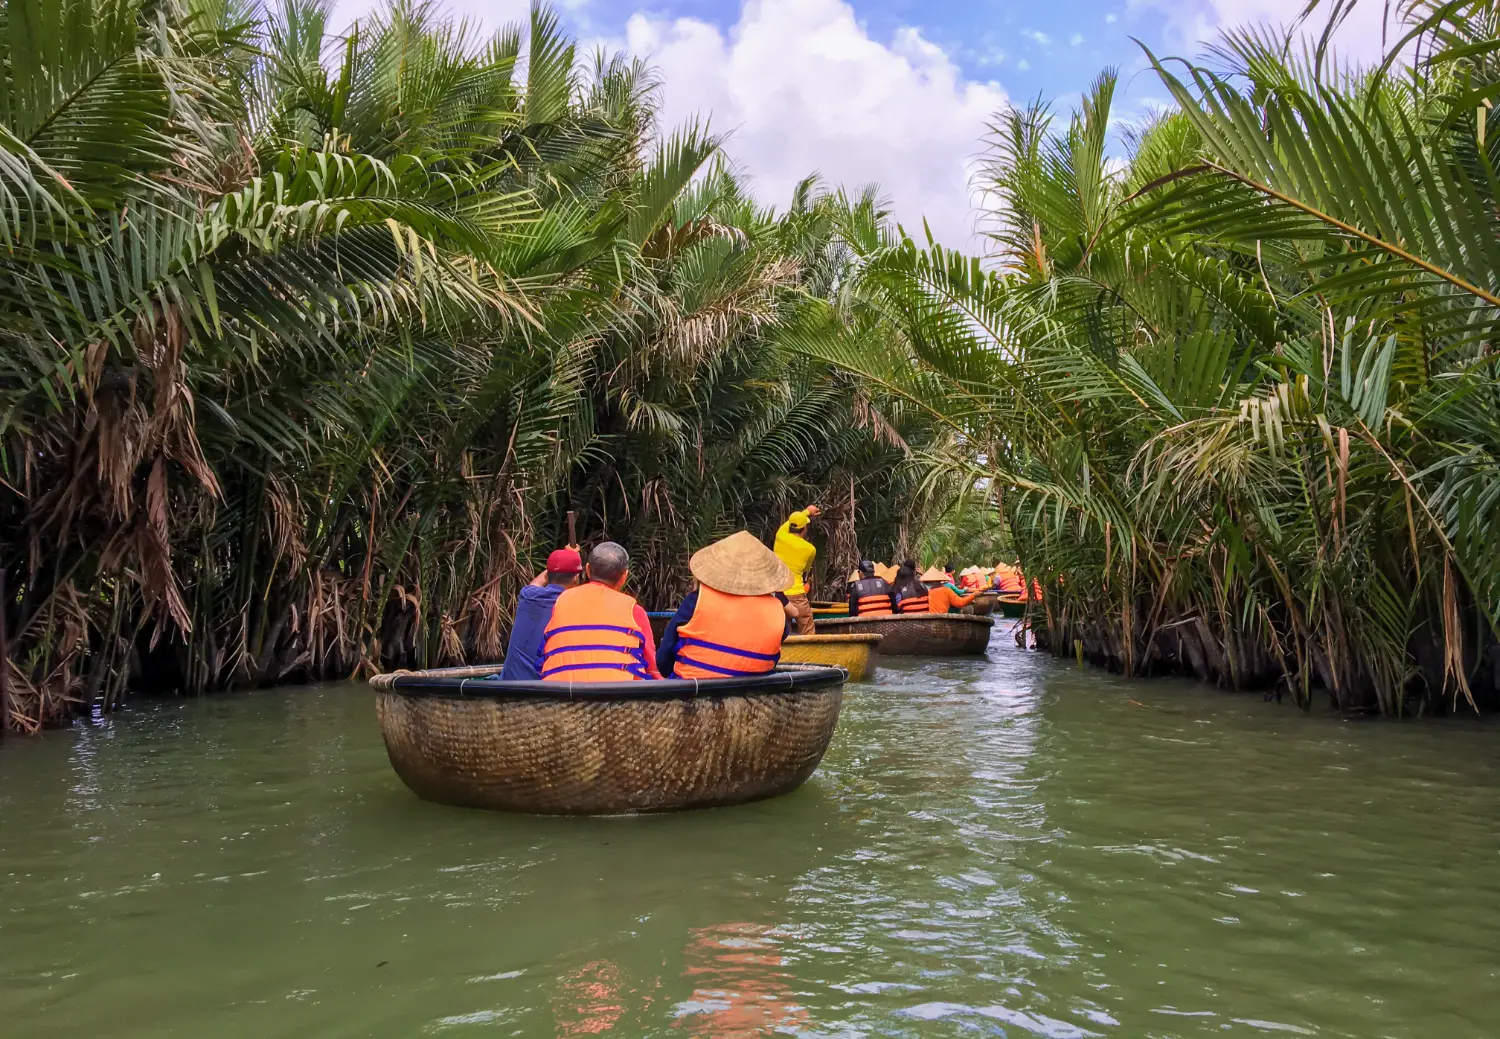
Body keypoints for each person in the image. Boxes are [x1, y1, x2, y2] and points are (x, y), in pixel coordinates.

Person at [657, 531, 794, 679]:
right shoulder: (776, 609)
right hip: (755, 694)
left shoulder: (697, 600)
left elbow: (663, 659)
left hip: (693, 690)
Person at [540, 542, 662, 681]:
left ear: (587, 569)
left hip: (561, 693)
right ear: (624, 576)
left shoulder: (562, 601)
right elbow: (651, 668)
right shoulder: (634, 610)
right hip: (618, 696)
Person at [498, 546, 582, 680]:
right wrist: (571, 559)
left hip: (509, 683)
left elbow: (537, 582)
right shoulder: (575, 606)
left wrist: (566, 557)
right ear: (576, 578)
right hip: (543, 688)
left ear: (548, 575)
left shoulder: (528, 596)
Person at [773, 505, 821, 635]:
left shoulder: (780, 535)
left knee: (782, 626)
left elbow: (787, 524)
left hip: (777, 593)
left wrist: (806, 512)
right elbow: (805, 568)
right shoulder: (810, 549)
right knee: (806, 622)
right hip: (796, 594)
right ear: (804, 529)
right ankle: (810, 652)